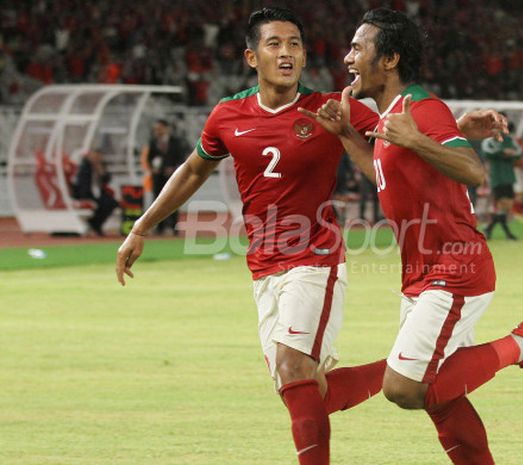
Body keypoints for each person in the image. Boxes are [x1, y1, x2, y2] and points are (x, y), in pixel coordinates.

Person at [116, 8, 388, 465]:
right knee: (303, 391)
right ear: (251, 56)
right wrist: (141, 226)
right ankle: (412, 366)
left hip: (315, 258)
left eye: (295, 44)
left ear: (304, 57)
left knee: (292, 370)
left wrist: (455, 133)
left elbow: (398, 134)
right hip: (263, 266)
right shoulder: (228, 115)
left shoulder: (330, 108)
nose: (287, 53)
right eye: (275, 44)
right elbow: (191, 171)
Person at [301, 8, 523, 465]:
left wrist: (423, 139)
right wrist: (345, 133)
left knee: (405, 387)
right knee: (440, 399)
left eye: (358, 48)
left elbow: (473, 171)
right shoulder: (391, 119)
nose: (348, 58)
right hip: (422, 273)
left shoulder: (422, 109)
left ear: (389, 60)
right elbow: (382, 169)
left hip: (455, 269)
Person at [140, 119, 187, 235]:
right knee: (157, 200)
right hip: (158, 177)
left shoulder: (175, 142)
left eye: (159, 128)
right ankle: (159, 227)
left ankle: (173, 226)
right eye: (156, 129)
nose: (157, 131)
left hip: (172, 176)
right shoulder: (153, 142)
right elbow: (149, 158)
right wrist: (153, 169)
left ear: (166, 128)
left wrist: (173, 169)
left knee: (173, 199)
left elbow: (181, 158)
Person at [481, 121, 522, 240]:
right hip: (497, 177)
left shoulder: (509, 140)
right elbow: (488, 153)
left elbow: (519, 152)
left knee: (506, 208)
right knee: (503, 206)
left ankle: (488, 228)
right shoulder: (488, 142)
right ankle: (508, 234)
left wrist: (511, 153)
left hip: (509, 176)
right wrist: (503, 152)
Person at [72, 148, 118, 236]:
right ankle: (94, 225)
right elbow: (82, 186)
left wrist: (100, 171)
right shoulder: (84, 167)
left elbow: (107, 179)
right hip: (86, 195)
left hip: (98, 195)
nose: (97, 159)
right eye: (95, 156)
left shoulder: (101, 166)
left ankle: (95, 224)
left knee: (112, 203)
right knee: (104, 203)